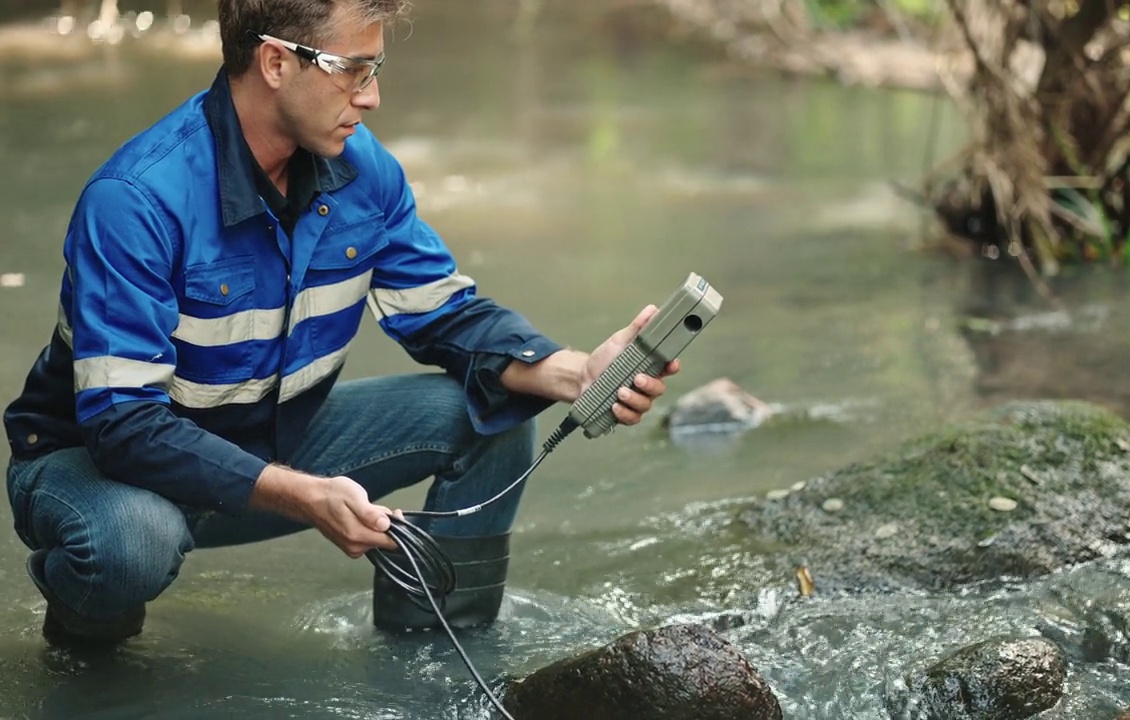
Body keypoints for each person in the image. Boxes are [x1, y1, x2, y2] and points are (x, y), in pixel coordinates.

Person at [3, 0, 676, 647]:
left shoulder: (363, 171)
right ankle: (86, 647)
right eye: (353, 70)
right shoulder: (138, 201)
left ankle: (432, 660)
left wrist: (574, 373)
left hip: (272, 441)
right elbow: (123, 426)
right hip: (103, 471)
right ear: (275, 63)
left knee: (494, 417)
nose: (371, 97)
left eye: (373, 71)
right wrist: (303, 496)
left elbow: (444, 314)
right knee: (131, 544)